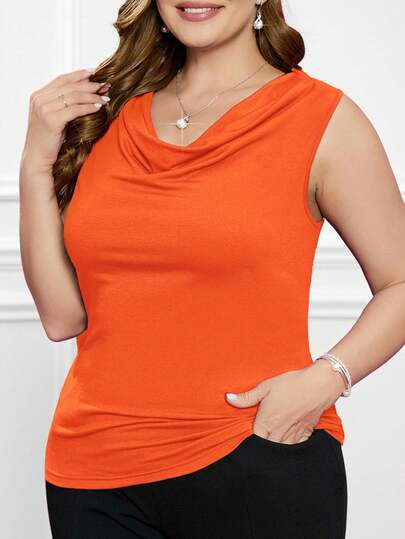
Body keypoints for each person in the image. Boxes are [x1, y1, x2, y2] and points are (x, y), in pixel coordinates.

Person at [19, 1, 405, 538]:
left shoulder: (323, 119)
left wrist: (327, 377)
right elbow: (62, 317)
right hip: (94, 473)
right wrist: (36, 161)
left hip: (258, 457)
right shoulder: (104, 115)